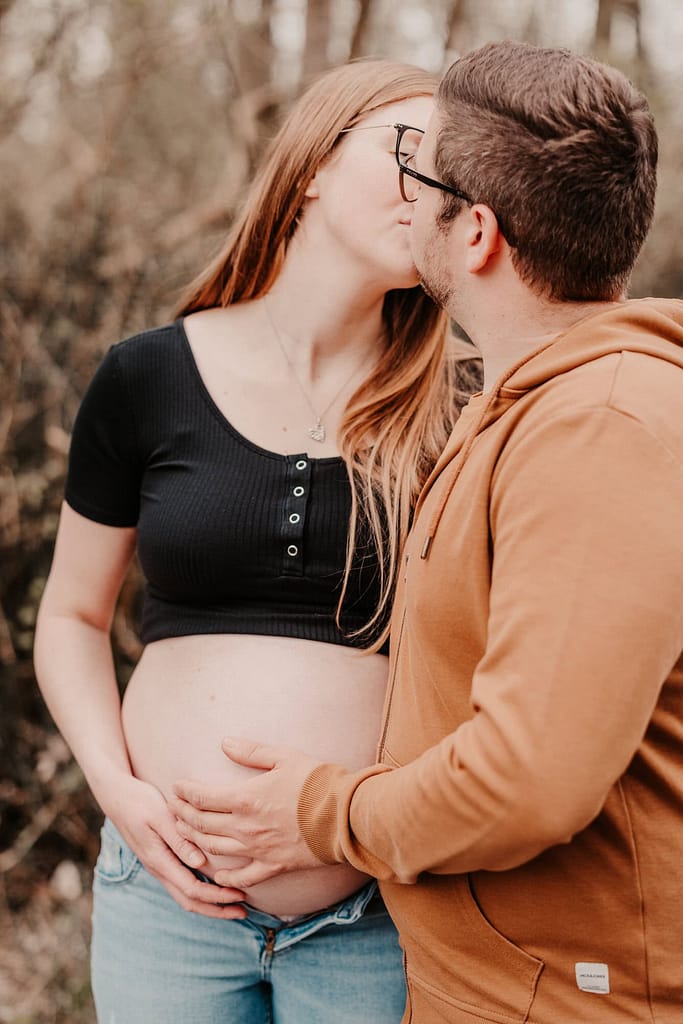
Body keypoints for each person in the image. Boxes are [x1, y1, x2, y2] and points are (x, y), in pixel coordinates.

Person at [169, 41, 683, 1024]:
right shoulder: (517, 404)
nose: (405, 200)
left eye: (421, 173)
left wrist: (319, 813)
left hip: (565, 1003)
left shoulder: (599, 428)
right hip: (484, 987)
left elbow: (526, 781)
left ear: (475, 231)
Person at [33, 59, 482, 1024]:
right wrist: (116, 791)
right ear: (311, 164)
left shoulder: (464, 407)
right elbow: (70, 616)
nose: (435, 189)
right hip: (167, 912)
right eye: (411, 151)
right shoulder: (146, 377)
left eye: (456, 174)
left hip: (377, 914)